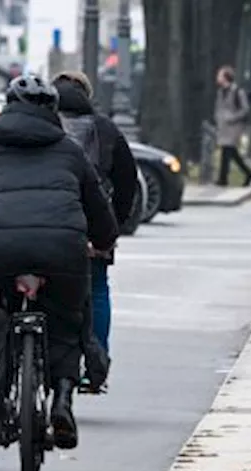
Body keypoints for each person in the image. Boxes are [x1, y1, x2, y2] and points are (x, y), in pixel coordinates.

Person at [0, 75, 120, 451]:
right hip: (62, 248)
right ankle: (62, 397)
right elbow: (97, 207)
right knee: (68, 320)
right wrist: (104, 241)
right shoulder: (69, 149)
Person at [53, 69, 140, 393]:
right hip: (91, 225)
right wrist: (113, 224)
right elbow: (127, 180)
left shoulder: (40, 124)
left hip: (47, 227)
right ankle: (96, 361)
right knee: (97, 289)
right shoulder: (105, 129)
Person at [214, 66, 251, 187]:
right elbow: (219, 107)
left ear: (226, 78)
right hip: (223, 126)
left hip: (233, 127)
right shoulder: (220, 92)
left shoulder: (237, 92)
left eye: (220, 75)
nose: (218, 78)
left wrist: (233, 117)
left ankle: (242, 174)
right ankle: (224, 178)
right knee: (228, 152)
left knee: (229, 151)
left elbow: (245, 109)